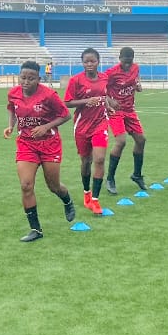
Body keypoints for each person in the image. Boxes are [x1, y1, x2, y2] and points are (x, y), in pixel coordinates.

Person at [5, 60, 77, 241]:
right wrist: (11, 126)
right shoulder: (13, 93)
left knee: (53, 186)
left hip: (49, 144)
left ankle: (67, 200)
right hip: (26, 144)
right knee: (26, 185)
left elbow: (66, 115)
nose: (26, 82)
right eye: (23, 78)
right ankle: (36, 230)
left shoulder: (49, 95)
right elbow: (12, 109)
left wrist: (46, 127)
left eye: (31, 78)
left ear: (39, 79)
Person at [64, 47, 109, 215]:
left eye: (93, 61)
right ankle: (86, 193)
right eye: (86, 61)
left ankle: (95, 200)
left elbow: (107, 95)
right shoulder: (76, 80)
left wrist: (109, 104)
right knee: (86, 161)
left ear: (98, 62)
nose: (89, 64)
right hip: (82, 126)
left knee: (99, 159)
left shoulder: (105, 78)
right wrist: (86, 101)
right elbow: (67, 102)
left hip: (100, 124)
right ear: (82, 63)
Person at [104, 46, 147, 194]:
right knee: (121, 142)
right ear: (120, 59)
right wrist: (110, 100)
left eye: (130, 61)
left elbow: (136, 81)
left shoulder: (135, 68)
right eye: (125, 61)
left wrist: (138, 86)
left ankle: (137, 175)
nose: (128, 64)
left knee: (141, 140)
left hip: (130, 111)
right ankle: (110, 178)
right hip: (116, 111)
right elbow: (100, 88)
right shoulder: (111, 73)